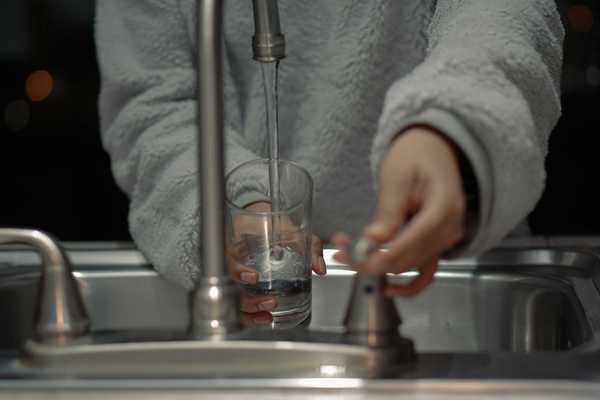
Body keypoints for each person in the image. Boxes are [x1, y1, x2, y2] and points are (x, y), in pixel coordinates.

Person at [95, 1, 564, 323]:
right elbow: (151, 103)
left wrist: (450, 128)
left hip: (452, 282)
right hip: (248, 303)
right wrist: (224, 205)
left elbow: (504, 16)